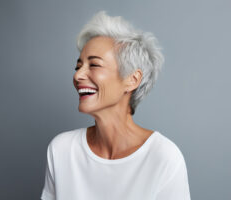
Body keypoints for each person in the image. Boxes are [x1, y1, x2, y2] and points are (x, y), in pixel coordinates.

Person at [40, 10, 191, 200]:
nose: (78, 76)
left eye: (93, 65)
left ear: (132, 79)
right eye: (78, 66)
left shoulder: (164, 157)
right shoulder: (62, 150)